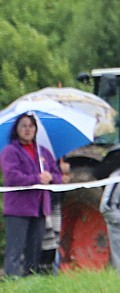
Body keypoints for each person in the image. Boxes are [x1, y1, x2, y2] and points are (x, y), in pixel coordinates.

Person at [0, 113, 63, 277]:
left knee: (34, 251)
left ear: (36, 129)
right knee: (15, 249)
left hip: (40, 208)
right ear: (16, 129)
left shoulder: (43, 152)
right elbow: (12, 176)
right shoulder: (10, 151)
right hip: (18, 210)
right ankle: (12, 283)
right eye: (23, 126)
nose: (28, 129)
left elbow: (58, 177)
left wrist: (50, 177)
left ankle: (30, 283)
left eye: (31, 126)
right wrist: (36, 179)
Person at [39, 158, 71, 274]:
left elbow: (57, 177)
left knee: (55, 242)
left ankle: (53, 273)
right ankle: (42, 273)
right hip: (41, 204)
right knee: (46, 243)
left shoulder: (53, 153)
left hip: (55, 201)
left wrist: (61, 175)